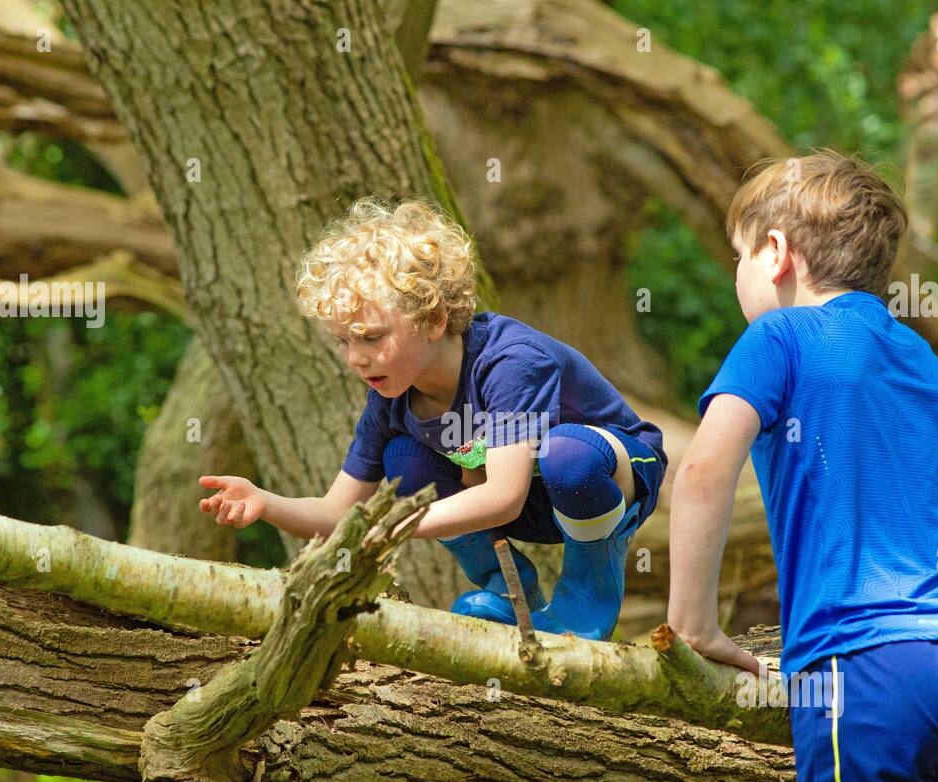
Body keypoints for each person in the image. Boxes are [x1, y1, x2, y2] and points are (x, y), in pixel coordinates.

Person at [665, 150, 938, 782]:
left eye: (736, 255)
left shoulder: (778, 337)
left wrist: (694, 625)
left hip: (866, 671)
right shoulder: (928, 363)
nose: (734, 273)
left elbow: (706, 467)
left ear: (776, 254)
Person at [199, 196, 666, 641]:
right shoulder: (391, 402)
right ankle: (506, 589)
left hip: (610, 479)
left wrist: (398, 525)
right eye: (344, 342)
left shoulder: (510, 362)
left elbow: (503, 496)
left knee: (568, 455)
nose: (356, 359)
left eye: (371, 338)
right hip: (534, 504)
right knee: (406, 459)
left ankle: (587, 597)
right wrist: (265, 502)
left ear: (436, 319)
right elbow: (339, 512)